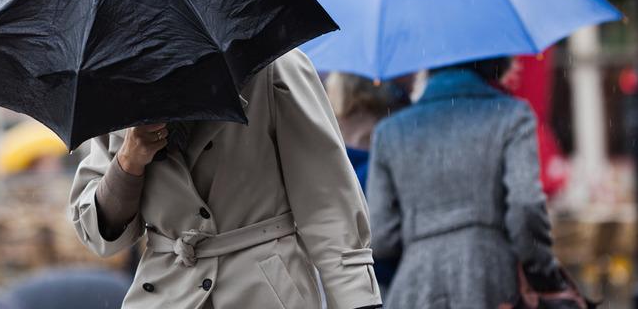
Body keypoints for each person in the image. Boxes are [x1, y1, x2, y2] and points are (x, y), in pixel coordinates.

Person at [69, 49, 382, 309]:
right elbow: (101, 235)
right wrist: (129, 161)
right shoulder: (114, 88)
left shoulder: (272, 66)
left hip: (265, 291)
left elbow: (327, 205)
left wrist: (358, 301)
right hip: (166, 295)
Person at [367, 57, 565, 308]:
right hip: (491, 280)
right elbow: (525, 206)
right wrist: (542, 269)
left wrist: (424, 236)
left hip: (414, 287)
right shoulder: (512, 115)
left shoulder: (389, 131)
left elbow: (381, 236)